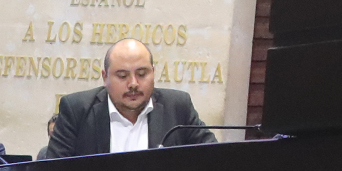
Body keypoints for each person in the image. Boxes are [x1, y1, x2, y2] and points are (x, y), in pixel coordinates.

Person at [41, 39, 215, 157]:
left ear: (153, 72)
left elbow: (214, 159)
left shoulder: (177, 107)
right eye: (122, 76)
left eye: (142, 74)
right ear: (105, 77)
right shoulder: (77, 110)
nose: (133, 84)